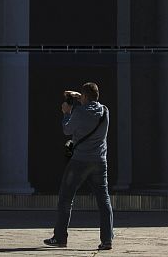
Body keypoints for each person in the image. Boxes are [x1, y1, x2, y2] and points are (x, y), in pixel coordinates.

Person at [44, 82, 114, 251]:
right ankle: (107, 240)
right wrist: (79, 97)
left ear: (84, 97)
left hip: (79, 162)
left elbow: (67, 130)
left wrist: (67, 113)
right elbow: (91, 103)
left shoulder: (79, 112)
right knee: (104, 200)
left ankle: (60, 238)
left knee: (66, 199)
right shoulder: (105, 110)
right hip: (100, 162)